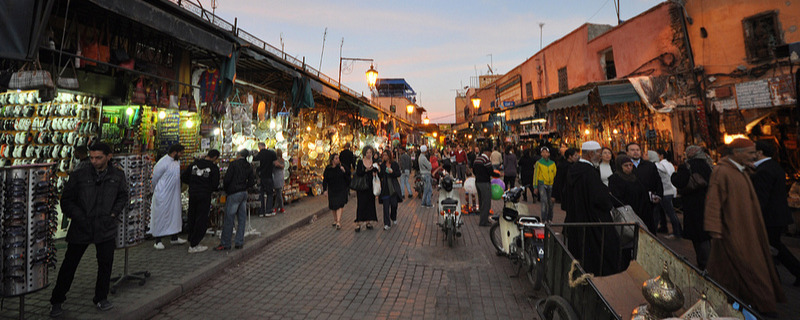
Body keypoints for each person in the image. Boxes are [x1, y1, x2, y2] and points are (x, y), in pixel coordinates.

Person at [704, 138, 785, 316]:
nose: (754, 156)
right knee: (740, 272)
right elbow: (714, 201)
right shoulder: (722, 171)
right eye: (749, 153)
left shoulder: (740, 171)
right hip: (732, 233)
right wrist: (715, 229)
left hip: (748, 231)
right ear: (737, 154)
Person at [50, 143, 129, 316]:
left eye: (98, 157)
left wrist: (114, 213)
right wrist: (79, 216)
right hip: (82, 226)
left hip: (105, 226)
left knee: (105, 264)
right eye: (92, 157)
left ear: (108, 156)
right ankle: (57, 300)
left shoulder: (117, 175)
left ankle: (101, 298)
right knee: (69, 265)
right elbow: (67, 200)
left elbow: (123, 195)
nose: (94, 161)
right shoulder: (79, 175)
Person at [562, 141, 622, 276]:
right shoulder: (588, 172)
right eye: (599, 153)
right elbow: (599, 198)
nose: (600, 156)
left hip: (576, 218)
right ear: (590, 154)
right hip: (590, 220)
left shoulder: (575, 169)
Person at [752, 141, 800, 286]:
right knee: (774, 247)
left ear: (759, 152)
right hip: (777, 217)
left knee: (771, 247)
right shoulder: (774, 166)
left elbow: (762, 199)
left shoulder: (763, 170)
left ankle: (776, 279)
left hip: (770, 218)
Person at [671, 145, 713, 270]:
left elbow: (679, 182)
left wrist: (674, 175)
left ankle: (705, 264)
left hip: (693, 204)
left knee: (698, 236)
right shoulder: (708, 165)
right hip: (707, 202)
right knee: (706, 234)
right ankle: (710, 262)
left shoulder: (687, 166)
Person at [180, 149, 220, 254]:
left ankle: (191, 238)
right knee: (201, 218)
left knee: (192, 215)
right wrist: (208, 188)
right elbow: (215, 184)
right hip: (204, 195)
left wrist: (193, 183)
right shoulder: (213, 168)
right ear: (215, 157)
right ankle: (194, 244)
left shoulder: (194, 164)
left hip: (193, 194)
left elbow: (184, 177)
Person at [216, 149, 256, 250]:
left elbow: (227, 178)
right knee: (242, 219)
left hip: (234, 193)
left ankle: (226, 243)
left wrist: (227, 189)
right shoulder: (248, 166)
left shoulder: (234, 164)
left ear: (239, 155)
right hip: (243, 193)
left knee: (229, 218)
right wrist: (245, 186)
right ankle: (239, 242)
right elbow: (252, 181)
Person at [150, 144, 186, 249]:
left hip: (174, 194)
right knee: (161, 216)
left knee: (174, 215)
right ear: (175, 152)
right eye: (180, 153)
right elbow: (154, 177)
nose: (181, 155)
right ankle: (158, 240)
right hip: (163, 194)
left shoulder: (176, 162)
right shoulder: (163, 162)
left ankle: (174, 237)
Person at [608, 155, 653, 231]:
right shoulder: (615, 179)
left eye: (630, 165)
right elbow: (616, 197)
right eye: (626, 166)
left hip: (641, 210)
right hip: (628, 212)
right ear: (620, 166)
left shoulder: (635, 177)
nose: (629, 167)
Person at [626, 143, 662, 233]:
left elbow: (657, 181)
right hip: (631, 202)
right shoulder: (625, 166)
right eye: (632, 150)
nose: (635, 152)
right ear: (627, 152)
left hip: (648, 202)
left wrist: (658, 195)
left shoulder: (649, 165)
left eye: (637, 150)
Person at [654, 149, 682, 239]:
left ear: (661, 156)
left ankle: (677, 232)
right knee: (663, 212)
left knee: (670, 212)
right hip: (670, 190)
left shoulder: (661, 165)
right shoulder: (669, 164)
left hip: (666, 191)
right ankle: (664, 227)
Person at [355, 146, 380, 231]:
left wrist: (375, 171)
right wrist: (365, 171)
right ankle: (358, 223)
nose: (369, 154)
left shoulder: (374, 162)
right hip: (362, 187)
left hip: (370, 186)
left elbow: (378, 172)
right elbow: (358, 173)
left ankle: (368, 222)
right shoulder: (360, 162)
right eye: (368, 152)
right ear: (364, 153)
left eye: (370, 153)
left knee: (370, 203)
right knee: (361, 204)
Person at [323, 153, 349, 230]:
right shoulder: (328, 169)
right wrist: (325, 190)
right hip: (332, 189)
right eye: (336, 158)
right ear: (332, 160)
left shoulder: (341, 167)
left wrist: (344, 171)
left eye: (338, 158)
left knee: (340, 204)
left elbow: (347, 177)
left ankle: (338, 221)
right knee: (333, 205)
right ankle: (335, 219)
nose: (338, 160)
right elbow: (325, 180)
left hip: (341, 189)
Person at [378, 150, 403, 230]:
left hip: (393, 187)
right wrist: (378, 172)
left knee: (394, 204)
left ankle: (393, 216)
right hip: (385, 187)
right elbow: (380, 175)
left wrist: (392, 172)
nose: (384, 157)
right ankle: (387, 223)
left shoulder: (394, 164)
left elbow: (398, 174)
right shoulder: (382, 165)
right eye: (383, 155)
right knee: (385, 206)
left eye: (386, 155)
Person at [253, 142, 277, 217]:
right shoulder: (271, 154)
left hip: (260, 177)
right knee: (270, 193)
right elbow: (275, 163)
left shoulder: (257, 156)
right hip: (268, 176)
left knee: (261, 194)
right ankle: (268, 211)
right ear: (265, 146)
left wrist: (257, 177)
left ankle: (261, 212)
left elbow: (254, 167)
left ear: (259, 147)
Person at [533, 147, 557, 222]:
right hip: (542, 184)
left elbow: (555, 174)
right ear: (541, 154)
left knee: (551, 203)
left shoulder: (552, 163)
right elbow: (536, 174)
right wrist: (535, 186)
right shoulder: (538, 163)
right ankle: (544, 219)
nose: (545, 153)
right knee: (544, 201)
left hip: (551, 184)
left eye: (546, 152)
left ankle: (550, 218)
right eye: (543, 152)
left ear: (549, 154)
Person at [473, 146, 494, 226]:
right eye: (490, 153)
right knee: (486, 202)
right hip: (485, 183)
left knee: (481, 202)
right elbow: (491, 172)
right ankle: (484, 221)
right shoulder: (486, 160)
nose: (490, 155)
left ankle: (483, 219)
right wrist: (498, 174)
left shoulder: (477, 159)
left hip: (478, 182)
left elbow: (474, 170)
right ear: (487, 152)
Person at [272, 149, 286, 214]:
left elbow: (282, 166)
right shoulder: (279, 160)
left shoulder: (280, 160)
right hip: (279, 177)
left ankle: (277, 207)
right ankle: (280, 207)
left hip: (277, 177)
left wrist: (278, 165)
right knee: (278, 193)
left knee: (278, 193)